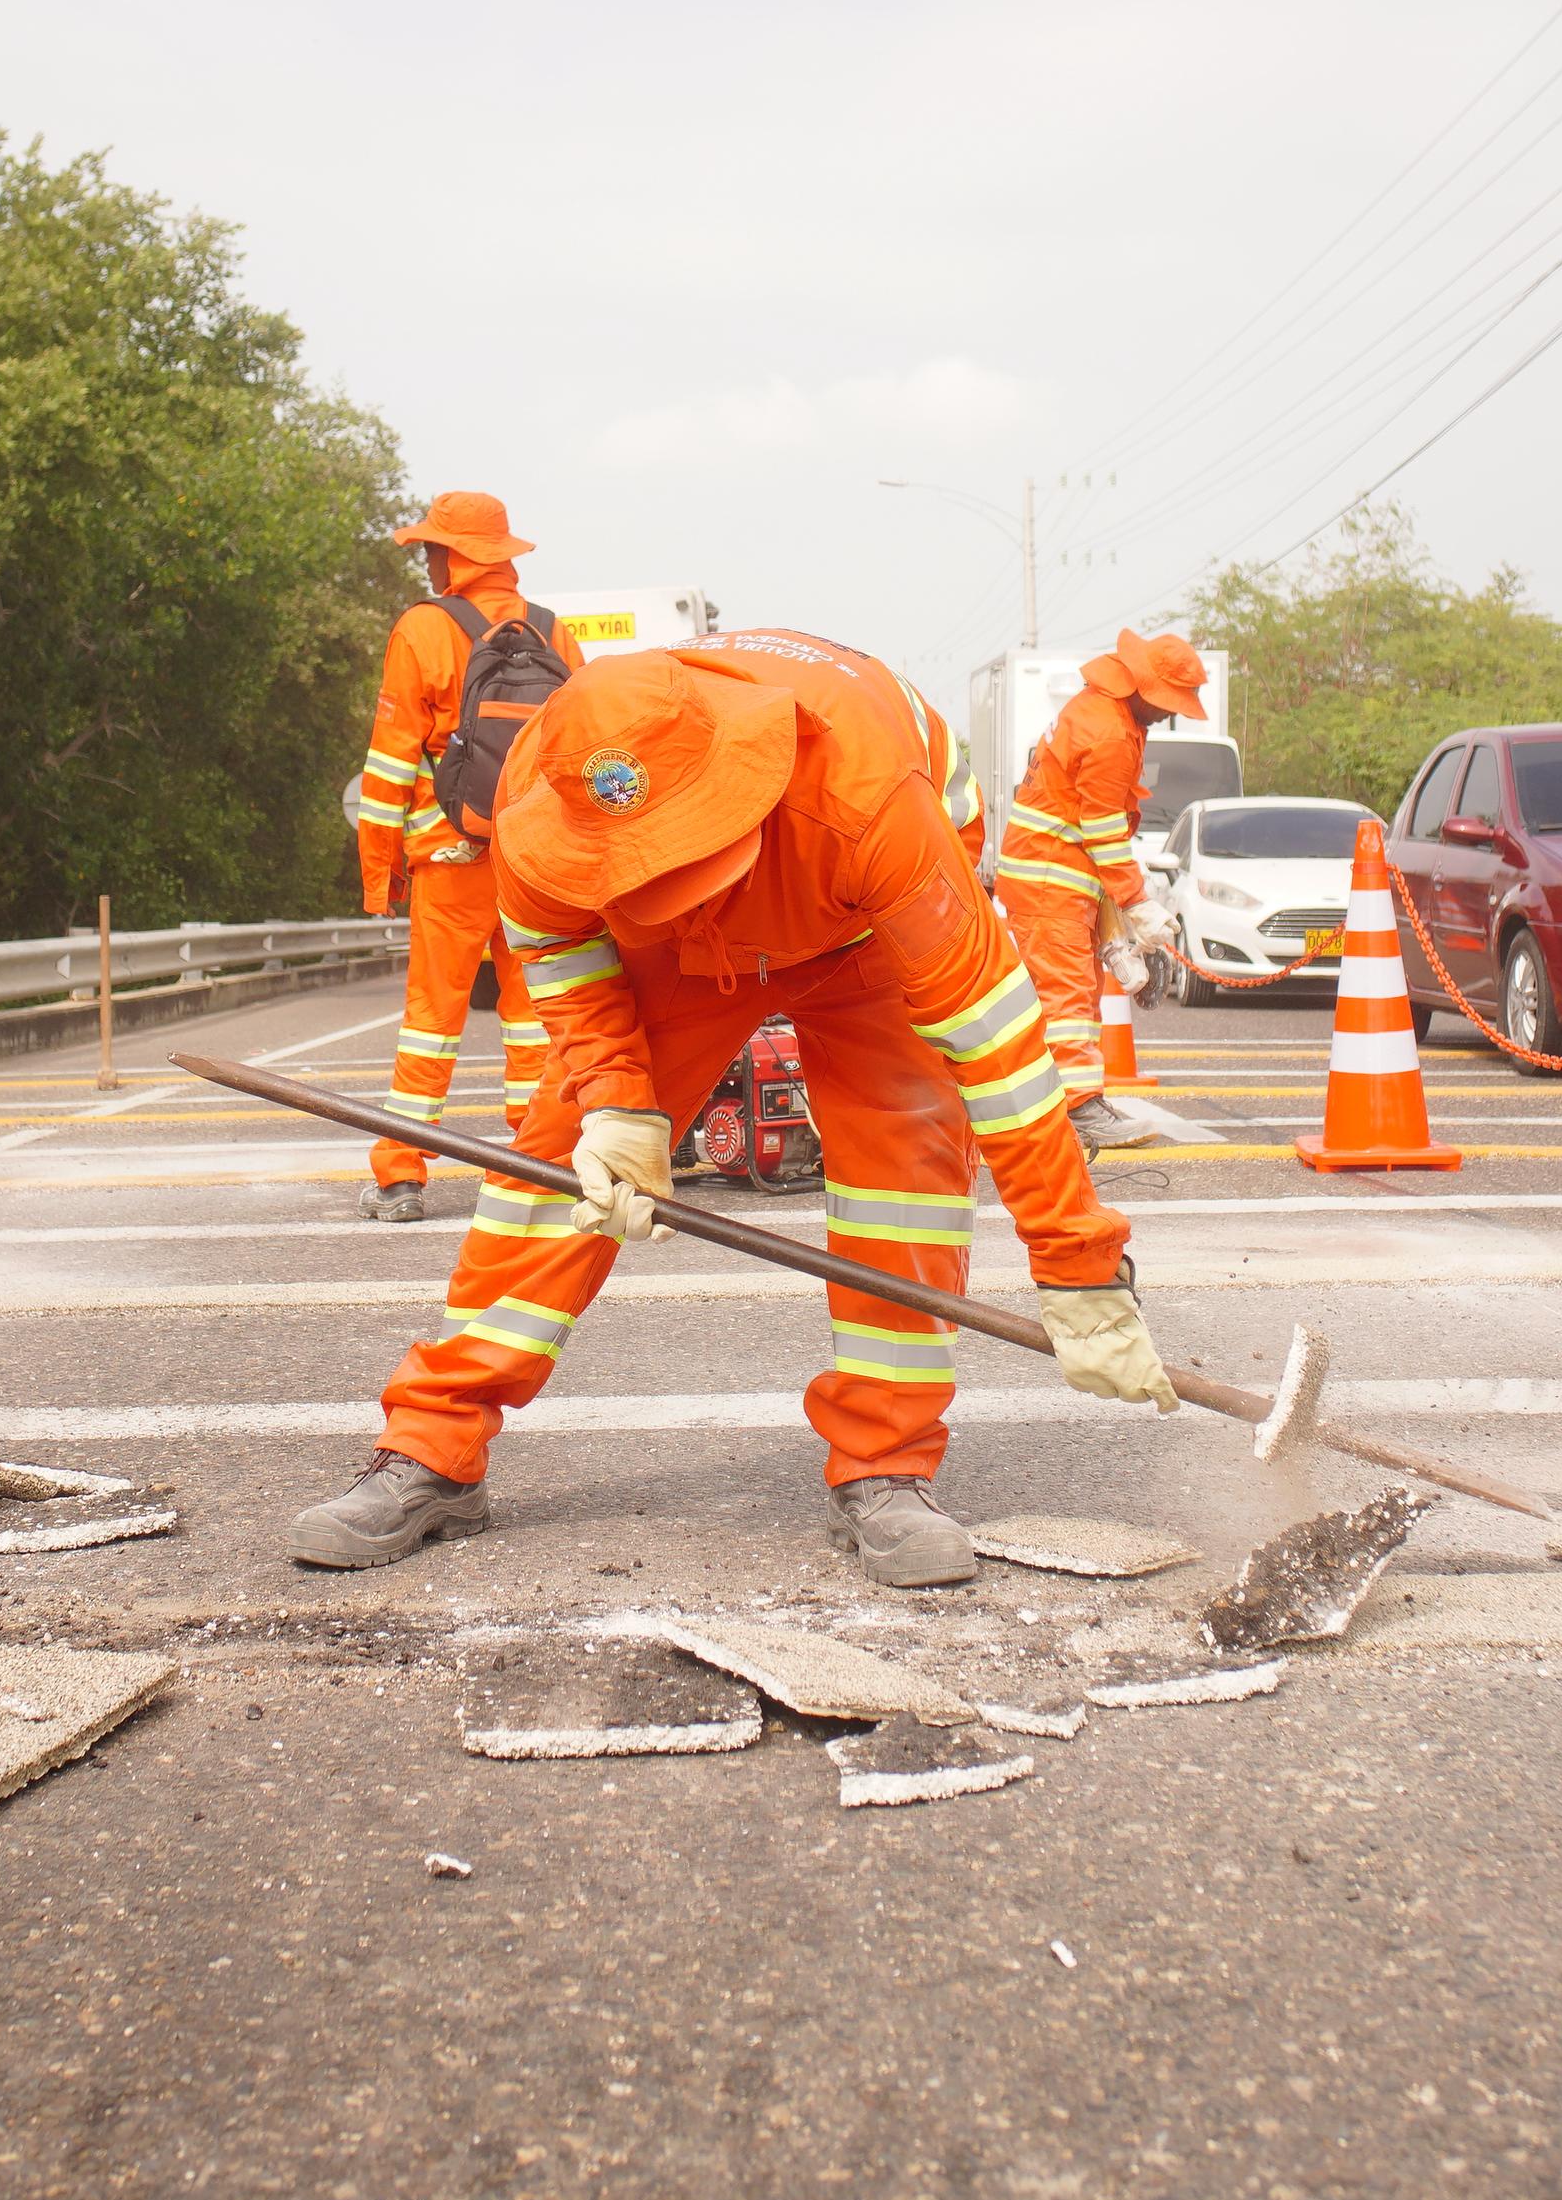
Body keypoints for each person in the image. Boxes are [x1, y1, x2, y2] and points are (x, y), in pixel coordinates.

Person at [288, 629, 1173, 1590]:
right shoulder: (546, 793)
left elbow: (1003, 1062)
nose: (662, 893)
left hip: (857, 920)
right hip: (687, 957)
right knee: (551, 1162)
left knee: (904, 1162)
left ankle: (888, 1464)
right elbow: (558, 954)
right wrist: (617, 1104)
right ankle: (432, 1445)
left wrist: (1077, 1263)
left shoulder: (869, 802)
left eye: (677, 868)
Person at [345, 491, 586, 1221]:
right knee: (535, 1017)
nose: (426, 559)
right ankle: (538, 1165)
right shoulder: (554, 632)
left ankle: (401, 1175)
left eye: (433, 548)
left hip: (449, 859)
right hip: (535, 861)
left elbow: (387, 771)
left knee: (432, 1017)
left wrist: (378, 875)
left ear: (459, 556)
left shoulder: (423, 629)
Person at [994, 628, 1207, 1146]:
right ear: (1141, 687)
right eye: (1165, 703)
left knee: (1074, 992)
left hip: (1053, 875)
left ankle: (1076, 1099)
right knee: (1067, 997)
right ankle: (1080, 1109)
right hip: (1051, 879)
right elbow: (1104, 832)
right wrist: (1139, 905)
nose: (1167, 714)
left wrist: (1116, 921)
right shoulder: (1110, 733)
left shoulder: (1104, 711)